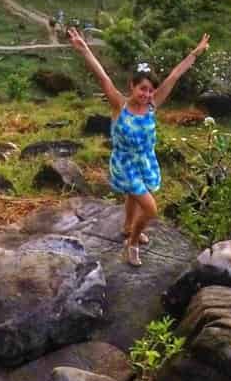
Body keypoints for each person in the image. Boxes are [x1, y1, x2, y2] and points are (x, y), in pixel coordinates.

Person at [67, 26, 210, 267]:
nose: (147, 94)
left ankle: (127, 227)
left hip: (145, 160)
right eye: (142, 88)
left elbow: (174, 75)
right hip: (125, 163)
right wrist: (84, 49)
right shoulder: (119, 106)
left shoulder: (153, 105)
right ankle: (131, 244)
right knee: (151, 210)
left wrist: (195, 53)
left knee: (133, 198)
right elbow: (103, 78)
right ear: (131, 85)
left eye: (151, 90)